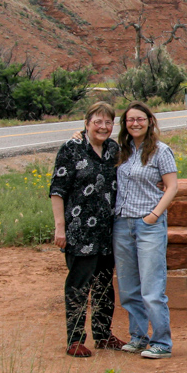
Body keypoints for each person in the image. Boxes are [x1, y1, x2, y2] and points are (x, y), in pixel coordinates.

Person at [50, 102, 124, 357]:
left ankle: (103, 335)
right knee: (79, 286)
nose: (103, 127)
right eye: (98, 121)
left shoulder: (113, 149)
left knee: (105, 285)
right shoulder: (71, 149)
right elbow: (57, 190)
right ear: (86, 122)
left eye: (108, 122)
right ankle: (75, 339)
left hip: (107, 231)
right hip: (80, 231)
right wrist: (60, 228)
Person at [113, 101, 179, 359]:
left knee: (152, 288)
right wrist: (79, 134)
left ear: (150, 121)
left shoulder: (161, 151)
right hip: (121, 224)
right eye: (130, 120)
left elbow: (172, 186)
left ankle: (161, 342)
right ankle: (139, 337)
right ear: (125, 124)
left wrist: (153, 216)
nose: (135, 123)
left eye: (140, 119)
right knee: (129, 288)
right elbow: (91, 140)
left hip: (148, 225)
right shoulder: (122, 151)